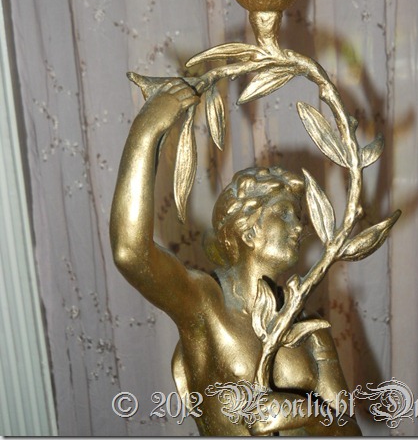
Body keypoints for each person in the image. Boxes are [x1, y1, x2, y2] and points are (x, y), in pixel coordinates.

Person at [111, 79, 361, 436]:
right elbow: (130, 253)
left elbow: (348, 431)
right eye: (284, 214)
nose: (298, 227)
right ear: (247, 229)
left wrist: (308, 414)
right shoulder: (205, 304)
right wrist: (146, 130)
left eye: (298, 217)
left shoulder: (308, 328)